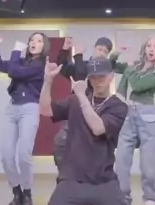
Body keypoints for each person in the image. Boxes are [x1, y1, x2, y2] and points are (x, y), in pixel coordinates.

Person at [39, 56, 133, 205]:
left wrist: (81, 96)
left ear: (111, 77)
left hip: (102, 180)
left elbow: (98, 128)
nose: (97, 82)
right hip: (73, 179)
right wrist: (48, 81)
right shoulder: (75, 101)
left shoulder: (118, 106)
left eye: (102, 77)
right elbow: (45, 110)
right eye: (93, 77)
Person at [0, 32, 50, 205]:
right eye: (31, 40)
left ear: (44, 46)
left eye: (38, 41)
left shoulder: (40, 65)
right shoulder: (21, 62)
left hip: (30, 108)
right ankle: (17, 192)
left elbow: (15, 71)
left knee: (24, 154)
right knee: (6, 155)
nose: (34, 43)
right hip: (12, 108)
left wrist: (16, 51)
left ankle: (28, 193)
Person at [114, 35, 155, 205]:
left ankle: (150, 196)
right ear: (144, 49)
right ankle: (122, 196)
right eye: (148, 46)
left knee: (149, 161)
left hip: (148, 116)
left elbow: (138, 85)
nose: (151, 49)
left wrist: (129, 67)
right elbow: (112, 65)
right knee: (121, 158)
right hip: (128, 114)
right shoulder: (136, 66)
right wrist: (116, 53)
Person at [53, 36, 127, 168]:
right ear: (94, 49)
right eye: (100, 49)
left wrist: (116, 54)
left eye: (105, 51)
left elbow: (110, 64)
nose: (102, 53)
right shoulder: (82, 64)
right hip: (76, 111)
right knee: (62, 141)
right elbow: (64, 67)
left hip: (96, 114)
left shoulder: (105, 69)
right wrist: (65, 49)